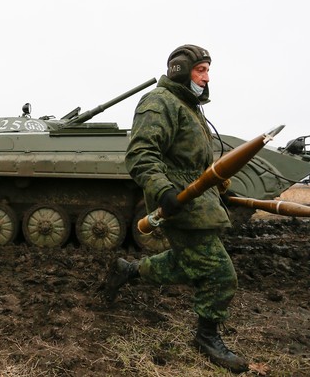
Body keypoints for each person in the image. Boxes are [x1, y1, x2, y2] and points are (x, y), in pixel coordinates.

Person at [103, 45, 249, 373]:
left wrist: (220, 186)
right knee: (220, 273)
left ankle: (129, 270)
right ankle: (206, 337)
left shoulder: (189, 106)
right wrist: (163, 189)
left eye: (208, 70)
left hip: (199, 200)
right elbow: (141, 153)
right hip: (178, 203)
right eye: (201, 70)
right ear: (181, 70)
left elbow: (195, 160)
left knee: (187, 264)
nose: (207, 77)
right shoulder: (160, 102)